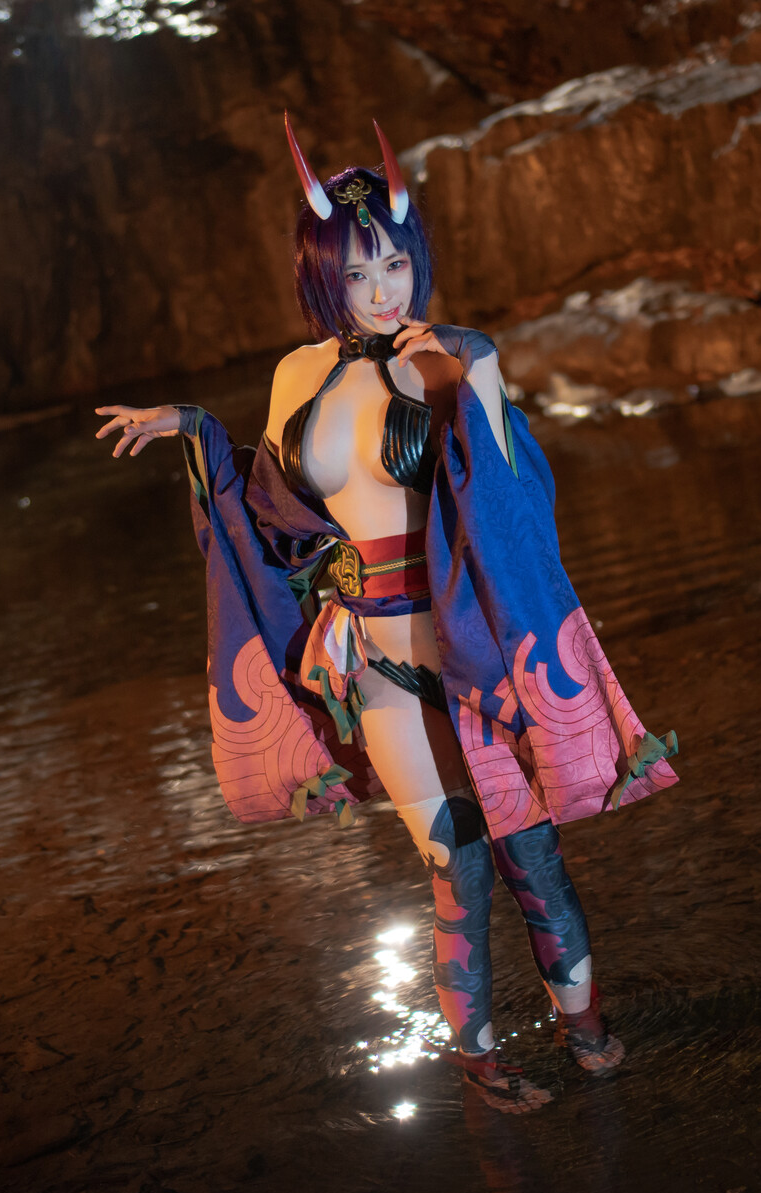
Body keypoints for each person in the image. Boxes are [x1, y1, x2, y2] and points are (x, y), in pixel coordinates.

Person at [95, 115, 679, 1114]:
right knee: (456, 864)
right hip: (373, 662)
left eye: (396, 264)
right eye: (360, 271)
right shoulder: (296, 375)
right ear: (323, 275)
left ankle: (585, 1030)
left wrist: (479, 365)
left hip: (472, 650)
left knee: (530, 852)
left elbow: (513, 497)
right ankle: (481, 1062)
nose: (382, 291)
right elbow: (272, 512)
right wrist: (193, 428)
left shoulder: (442, 362)